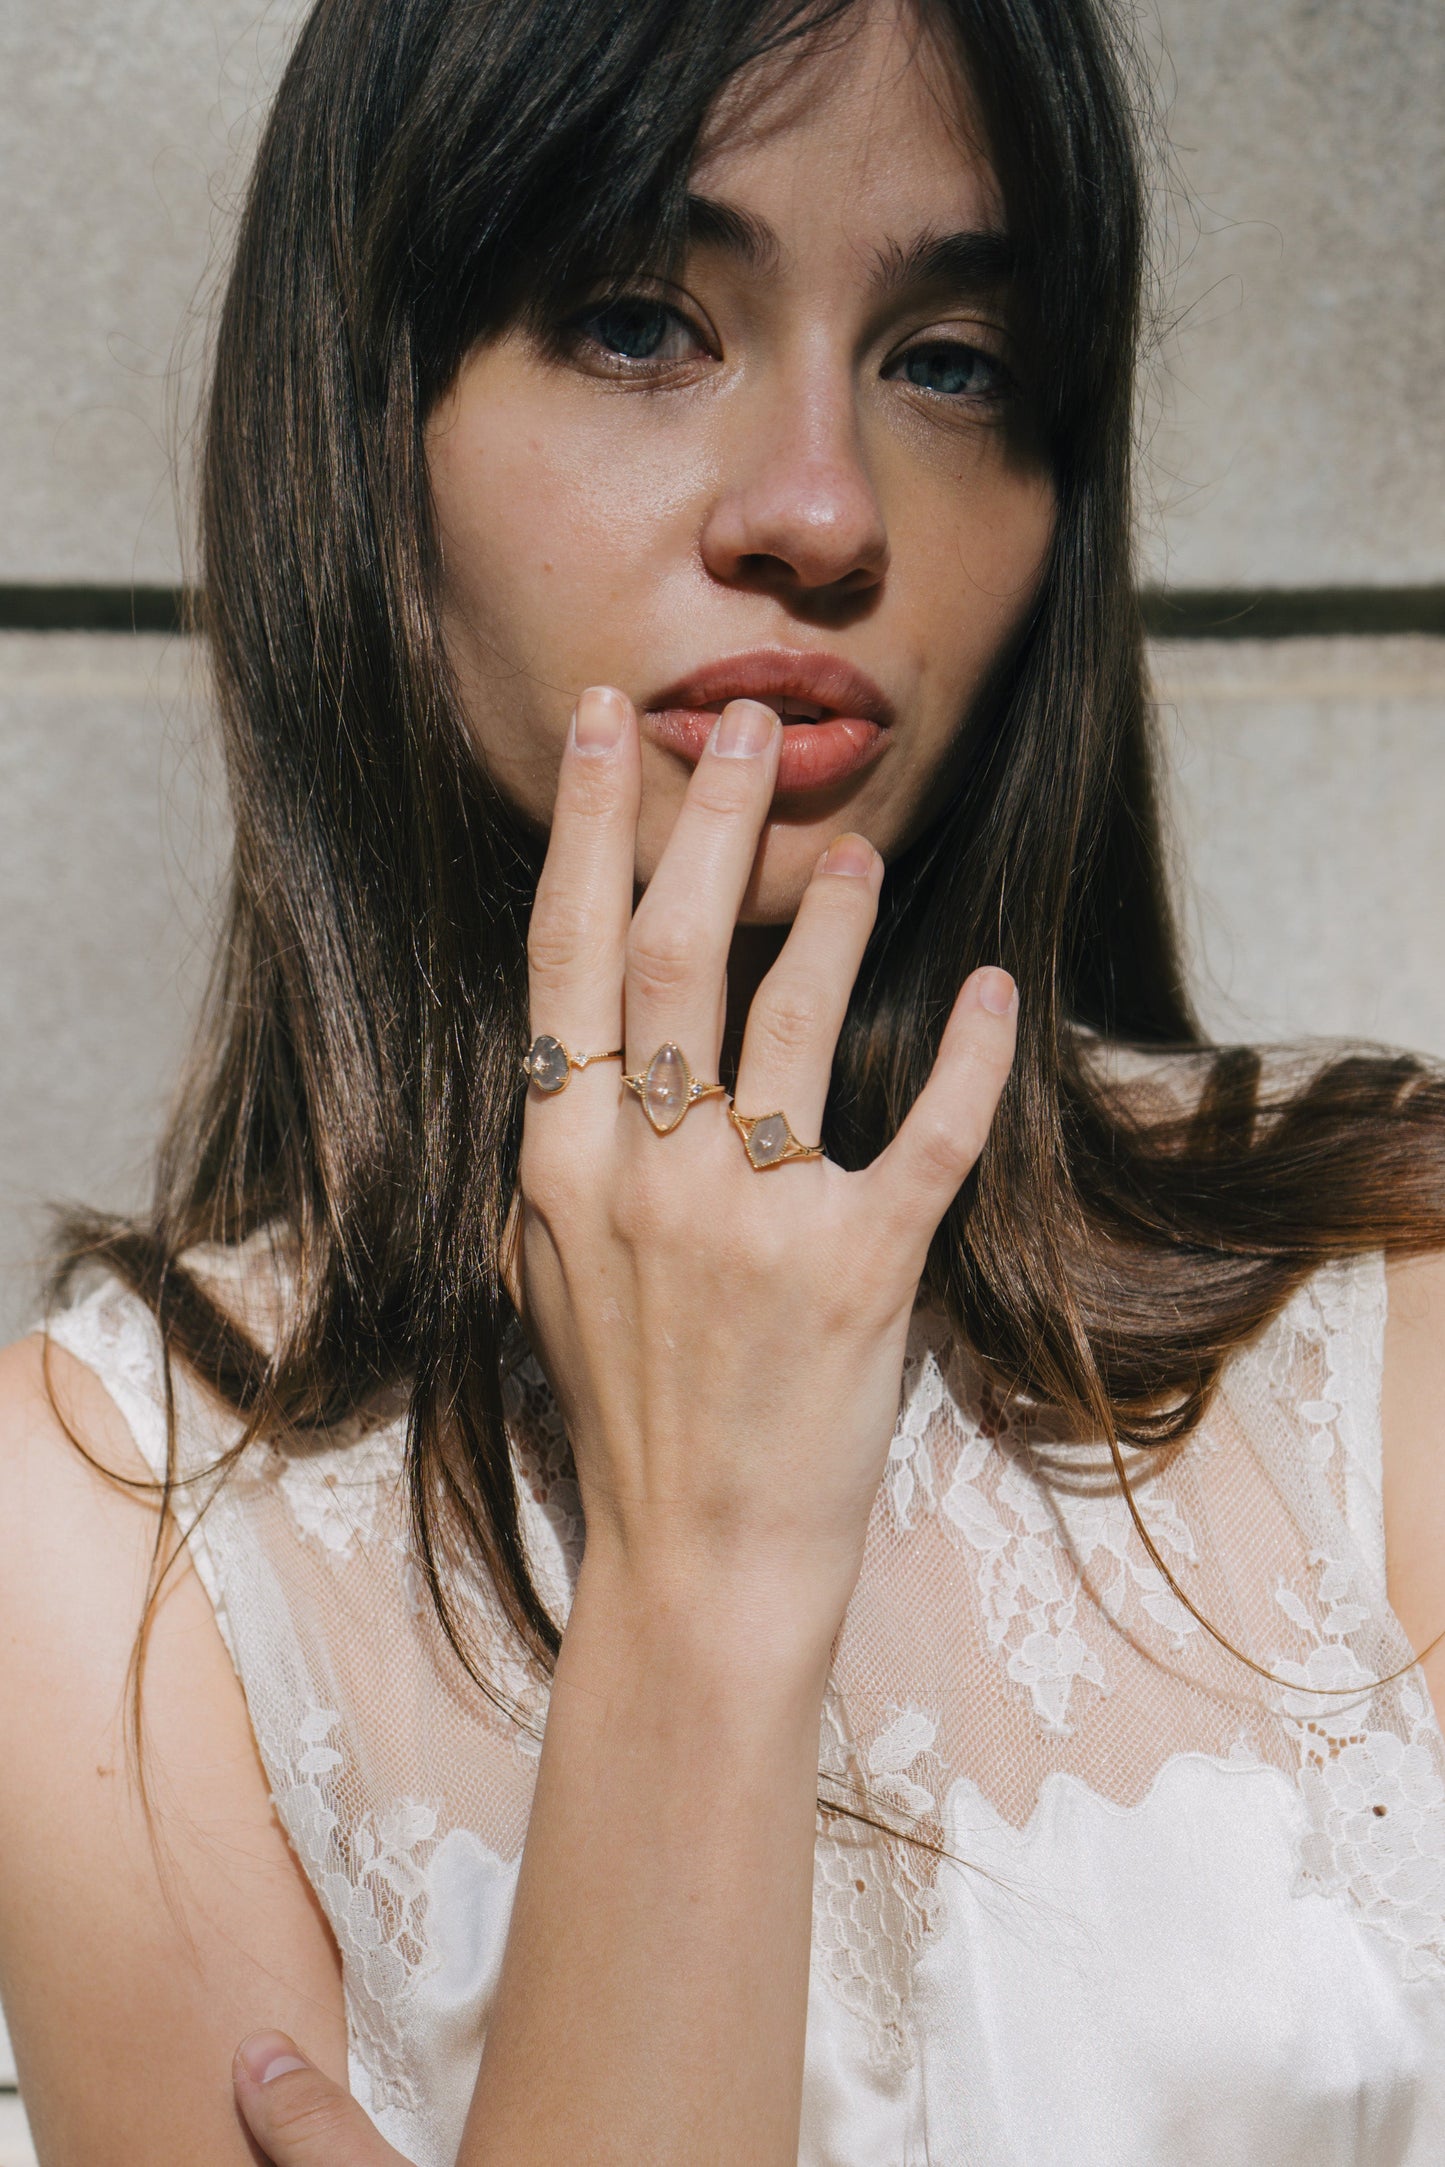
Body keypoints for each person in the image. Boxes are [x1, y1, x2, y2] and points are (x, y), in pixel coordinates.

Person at [2, 0, 1444, 2159]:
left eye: (953, 360)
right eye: (638, 322)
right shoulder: (110, 1534)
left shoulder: (1385, 1295)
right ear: (366, 421)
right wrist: (702, 1581)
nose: (822, 510)